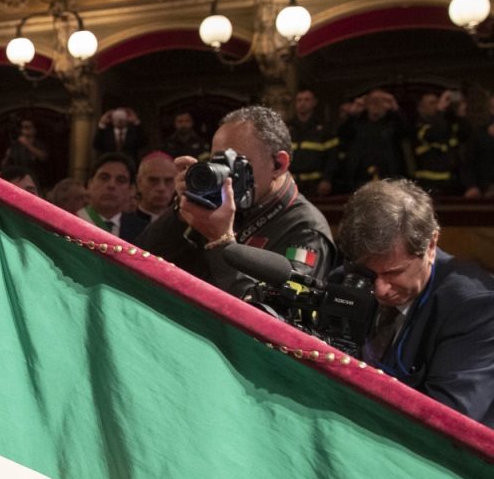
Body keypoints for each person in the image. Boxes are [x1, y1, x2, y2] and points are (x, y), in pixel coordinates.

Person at [337, 179, 494, 428]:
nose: (380, 289)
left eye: (393, 273)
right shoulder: (345, 281)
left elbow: (448, 422)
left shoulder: (476, 308)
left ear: (431, 245)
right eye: (370, 274)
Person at [137, 105, 335, 298]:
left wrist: (220, 242)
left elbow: (280, 316)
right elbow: (140, 261)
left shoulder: (306, 228)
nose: (225, 176)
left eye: (237, 164)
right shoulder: (216, 206)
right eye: (218, 162)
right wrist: (180, 212)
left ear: (278, 164)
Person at [286, 89, 338, 196]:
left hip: (315, 184)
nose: (302, 103)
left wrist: (327, 180)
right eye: (299, 100)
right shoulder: (287, 127)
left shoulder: (324, 128)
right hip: (291, 184)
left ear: (314, 102)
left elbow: (332, 157)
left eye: (306, 100)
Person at [120, 151, 176, 242]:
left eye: (168, 180)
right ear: (139, 182)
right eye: (153, 180)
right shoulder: (120, 223)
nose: (161, 188)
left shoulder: (181, 226)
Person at [77, 152, 134, 236]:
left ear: (131, 190)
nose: (111, 185)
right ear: (89, 184)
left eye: (121, 180)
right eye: (104, 178)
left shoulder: (143, 230)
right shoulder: (70, 223)